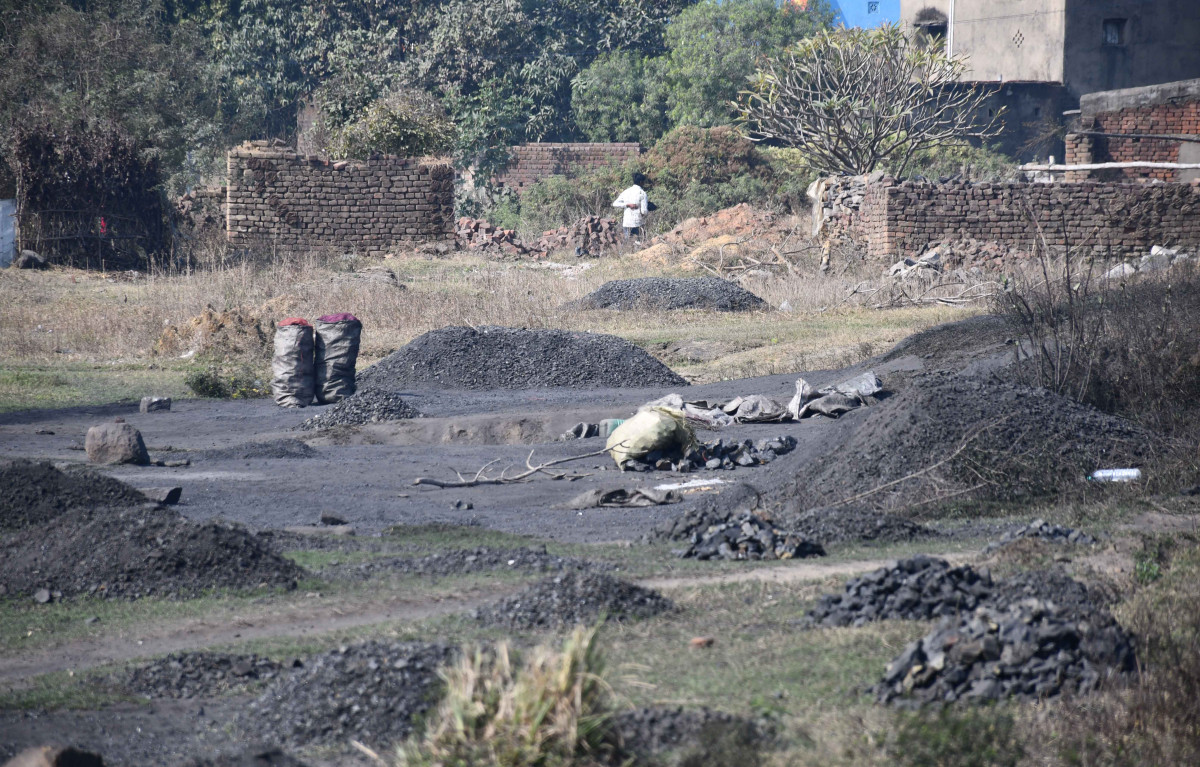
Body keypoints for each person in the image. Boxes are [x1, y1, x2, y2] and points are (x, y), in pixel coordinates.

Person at [612, 173, 649, 243]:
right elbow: (644, 211)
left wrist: (627, 205)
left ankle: (624, 253)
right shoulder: (642, 193)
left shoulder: (626, 191)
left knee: (627, 242)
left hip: (627, 222)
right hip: (638, 223)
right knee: (639, 243)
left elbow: (615, 204)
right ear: (641, 182)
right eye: (643, 182)